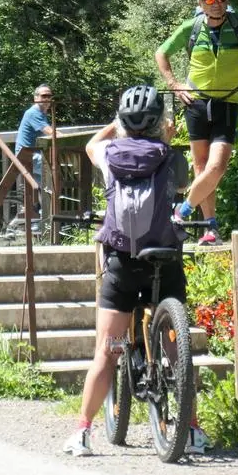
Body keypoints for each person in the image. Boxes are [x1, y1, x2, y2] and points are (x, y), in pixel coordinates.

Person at [62, 84, 209, 456]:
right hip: (165, 261)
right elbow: (178, 182)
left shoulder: (109, 154)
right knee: (179, 355)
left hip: (122, 263)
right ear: (159, 121)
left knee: (105, 352)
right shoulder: (168, 155)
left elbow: (90, 145)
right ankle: (190, 431)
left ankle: (82, 433)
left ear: (123, 120)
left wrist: (114, 127)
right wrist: (168, 134)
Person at [155, 0, 238, 245]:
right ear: (200, 2)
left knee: (217, 167)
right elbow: (161, 52)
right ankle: (211, 228)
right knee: (201, 168)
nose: (216, 3)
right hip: (196, 102)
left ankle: (181, 211)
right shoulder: (192, 27)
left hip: (228, 102)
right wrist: (175, 85)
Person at [13, 84, 55, 232]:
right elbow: (50, 132)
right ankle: (44, 222)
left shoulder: (41, 113)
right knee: (52, 182)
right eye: (43, 96)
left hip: (33, 154)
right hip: (28, 155)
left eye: (49, 96)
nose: (47, 99)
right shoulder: (33, 112)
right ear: (36, 98)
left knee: (42, 187)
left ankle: (35, 222)